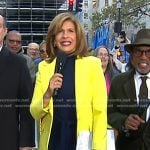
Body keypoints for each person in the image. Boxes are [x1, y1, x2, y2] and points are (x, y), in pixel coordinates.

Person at [30, 12, 107, 150]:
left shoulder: (93, 65)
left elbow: (100, 113)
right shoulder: (44, 67)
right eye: (60, 31)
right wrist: (48, 93)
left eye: (70, 31)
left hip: (81, 143)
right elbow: (35, 112)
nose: (65, 36)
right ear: (53, 39)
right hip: (52, 142)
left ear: (78, 37)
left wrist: (99, 147)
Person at [108, 28, 150, 150]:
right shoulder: (118, 82)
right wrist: (124, 121)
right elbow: (109, 113)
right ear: (131, 55)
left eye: (148, 52)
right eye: (139, 52)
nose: (144, 57)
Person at [0, 15, 35, 150]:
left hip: (6, 141)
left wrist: (26, 144)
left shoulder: (19, 64)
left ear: (4, 31)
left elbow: (26, 107)